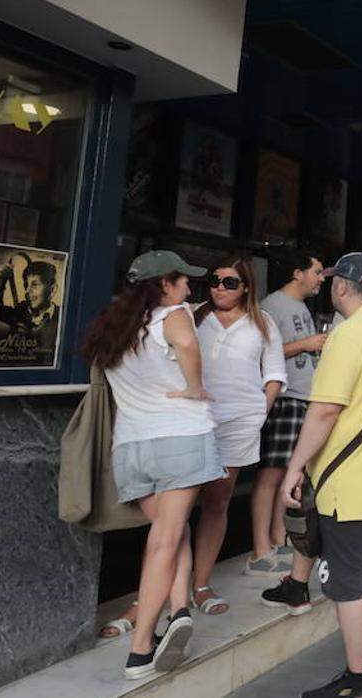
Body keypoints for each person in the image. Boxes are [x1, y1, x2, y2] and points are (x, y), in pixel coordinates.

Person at [268, 252, 362, 698]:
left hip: (343, 477)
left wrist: (294, 467)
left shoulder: (348, 336)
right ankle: (299, 588)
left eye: (332, 281)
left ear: (343, 287)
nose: (329, 286)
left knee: (349, 582)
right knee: (346, 568)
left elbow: (325, 409)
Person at [80, 250, 226, 679]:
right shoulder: (173, 315)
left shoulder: (115, 328)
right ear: (164, 284)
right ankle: (140, 650)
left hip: (131, 448)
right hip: (179, 438)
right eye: (184, 281)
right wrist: (195, 387)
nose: (189, 289)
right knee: (165, 540)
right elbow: (184, 342)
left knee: (171, 531)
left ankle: (179, 610)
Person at [190, 258, 287, 615]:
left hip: (239, 422)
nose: (219, 287)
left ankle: (200, 584)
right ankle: (163, 586)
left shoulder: (263, 323)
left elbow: (274, 372)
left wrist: (260, 410)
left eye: (230, 282)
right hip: (192, 419)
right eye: (215, 280)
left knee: (217, 501)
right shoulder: (193, 314)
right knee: (178, 506)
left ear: (246, 286)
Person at [250, 250, 326, 577]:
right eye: (317, 271)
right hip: (284, 397)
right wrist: (306, 344)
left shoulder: (301, 307)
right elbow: (262, 352)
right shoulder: (272, 306)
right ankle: (261, 549)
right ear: (298, 273)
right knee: (272, 474)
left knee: (289, 475)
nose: (322, 278)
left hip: (305, 396)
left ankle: (278, 539)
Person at [0, 258, 60, 351]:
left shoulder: (62, 316)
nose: (27, 291)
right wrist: (0, 283)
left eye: (35, 285)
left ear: (53, 290)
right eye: (26, 285)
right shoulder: (20, 310)